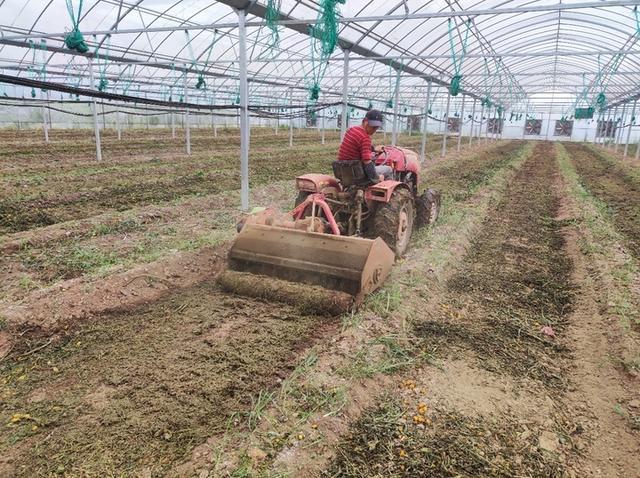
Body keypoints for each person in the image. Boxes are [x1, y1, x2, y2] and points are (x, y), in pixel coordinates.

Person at [337, 109, 392, 183]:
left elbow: (358, 145)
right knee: (388, 169)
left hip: (343, 169)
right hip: (358, 172)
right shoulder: (365, 138)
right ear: (365, 121)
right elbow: (367, 162)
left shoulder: (351, 130)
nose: (374, 130)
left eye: (376, 127)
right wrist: (377, 177)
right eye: (373, 127)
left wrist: (373, 149)